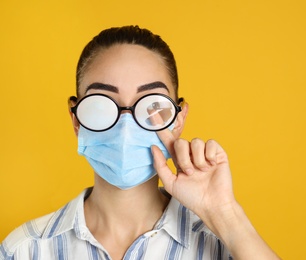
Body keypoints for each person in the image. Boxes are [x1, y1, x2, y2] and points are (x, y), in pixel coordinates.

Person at [0, 26, 280, 260]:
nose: (125, 124)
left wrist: (226, 215)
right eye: (101, 104)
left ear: (178, 120)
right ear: (76, 119)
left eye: (151, 104)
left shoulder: (226, 246)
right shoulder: (25, 249)